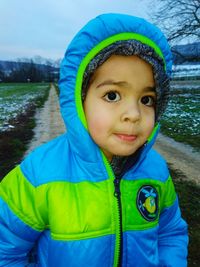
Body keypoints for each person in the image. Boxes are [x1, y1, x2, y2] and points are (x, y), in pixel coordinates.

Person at [0, 13, 188, 267]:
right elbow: (6, 252)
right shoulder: (37, 176)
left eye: (146, 99)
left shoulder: (156, 171)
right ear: (79, 101)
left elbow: (170, 232)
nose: (133, 114)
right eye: (112, 95)